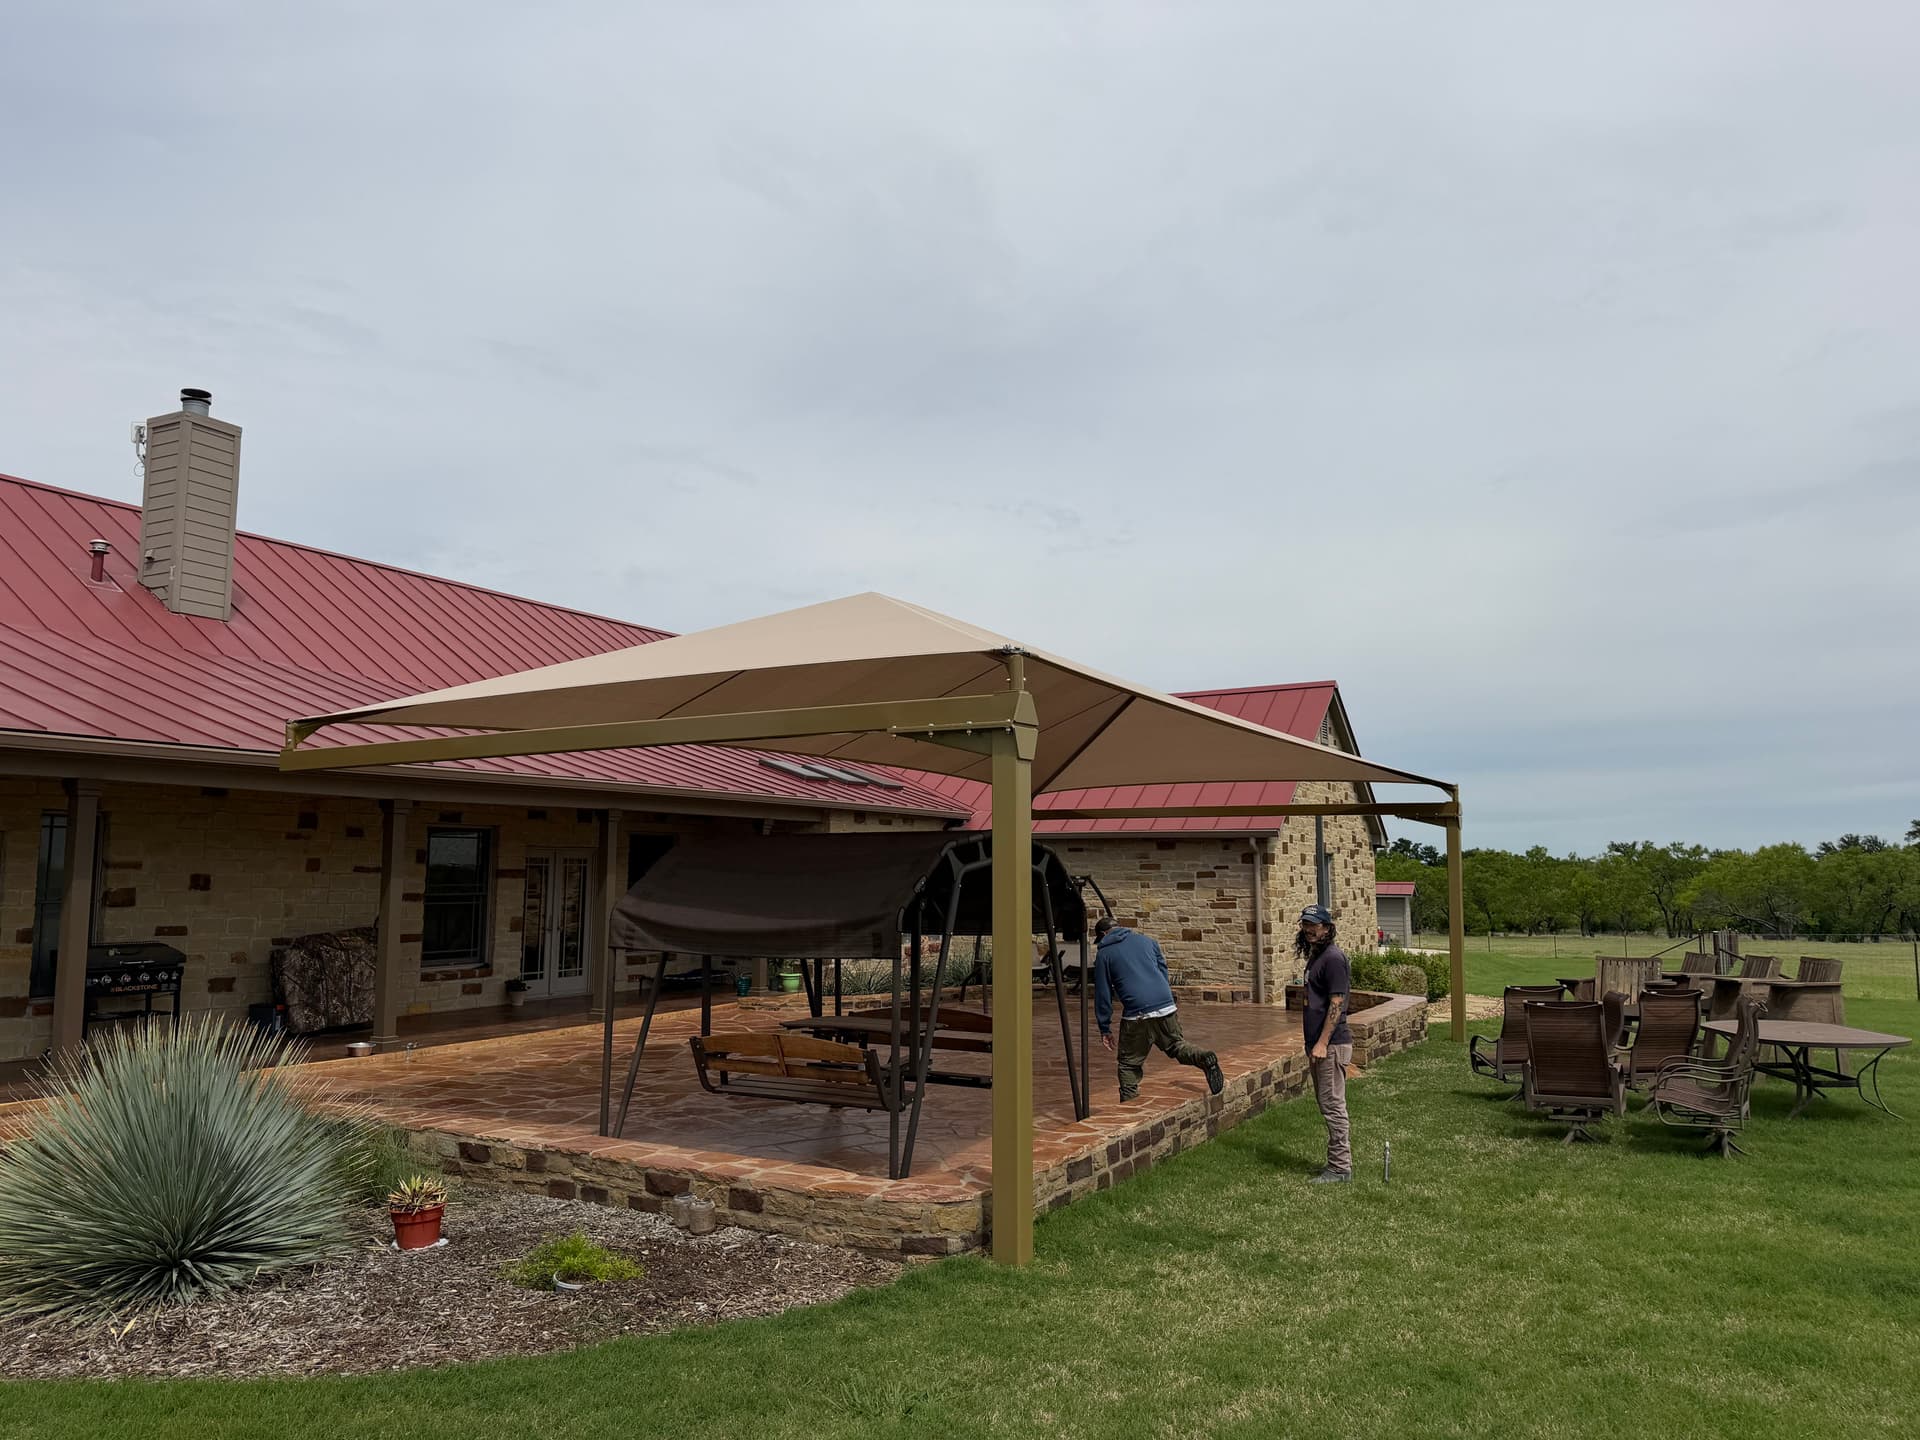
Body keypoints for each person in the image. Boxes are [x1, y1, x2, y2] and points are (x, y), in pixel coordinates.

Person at [1094, 916, 1225, 1102]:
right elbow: (1162, 970)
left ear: (1103, 934)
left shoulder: (1104, 954)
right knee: (1177, 1046)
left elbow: (1103, 993)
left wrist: (1104, 1027)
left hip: (1137, 1015)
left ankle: (1129, 1109)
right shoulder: (1148, 941)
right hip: (1166, 1005)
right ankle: (1203, 1057)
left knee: (1128, 1064)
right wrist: (1163, 998)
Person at [1296, 903, 1353, 1183]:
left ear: (1327, 928)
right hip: (1320, 1045)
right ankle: (1336, 1165)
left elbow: (1337, 1004)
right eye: (1305, 924)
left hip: (1331, 1045)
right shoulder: (1318, 956)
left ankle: (1340, 1168)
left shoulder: (1333, 958)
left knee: (1332, 1105)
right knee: (1327, 1103)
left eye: (1314, 925)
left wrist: (1321, 1043)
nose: (1309, 929)